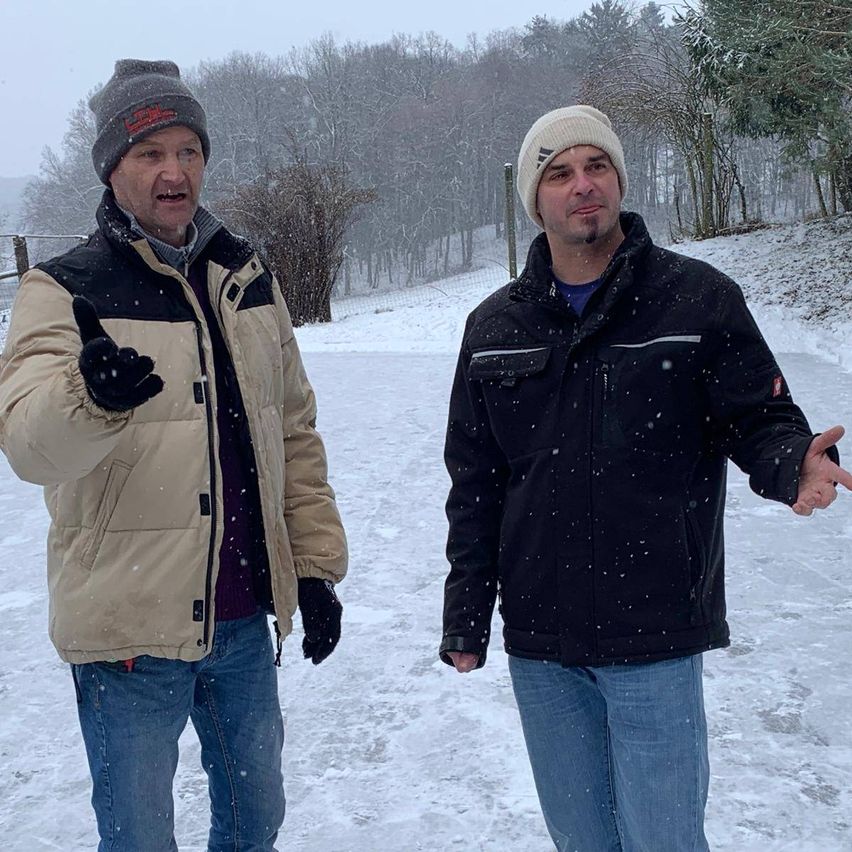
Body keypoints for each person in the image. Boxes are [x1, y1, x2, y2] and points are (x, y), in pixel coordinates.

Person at [439, 105, 851, 851]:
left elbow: (755, 417)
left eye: (596, 167)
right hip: (542, 638)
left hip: (654, 628)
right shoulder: (495, 326)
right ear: (537, 198)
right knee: (582, 840)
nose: (582, 186)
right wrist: (468, 614)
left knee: (663, 838)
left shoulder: (696, 298)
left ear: (620, 181)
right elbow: (475, 484)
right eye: (559, 173)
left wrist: (792, 463)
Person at [0, 59, 347, 851]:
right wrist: (91, 398)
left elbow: (291, 430)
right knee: (138, 841)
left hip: (240, 627)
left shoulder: (245, 277)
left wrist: (316, 569)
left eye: (188, 150)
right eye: (151, 153)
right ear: (112, 170)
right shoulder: (63, 288)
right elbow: (26, 443)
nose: (173, 171)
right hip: (127, 634)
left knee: (255, 825)